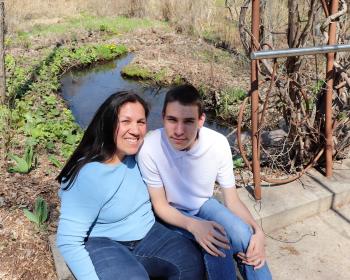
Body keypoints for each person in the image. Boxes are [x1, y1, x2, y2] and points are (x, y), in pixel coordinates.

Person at [56, 91, 205, 280]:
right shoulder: (89, 175)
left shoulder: (139, 154)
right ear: (108, 123)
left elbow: (179, 138)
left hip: (149, 233)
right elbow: (68, 241)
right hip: (104, 243)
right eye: (125, 121)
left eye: (140, 122)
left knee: (190, 261)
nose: (135, 130)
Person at [137, 84, 272, 280]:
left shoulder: (217, 144)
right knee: (218, 242)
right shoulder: (150, 147)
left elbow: (232, 201)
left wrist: (257, 231)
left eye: (188, 121)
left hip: (204, 204)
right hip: (172, 213)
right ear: (163, 117)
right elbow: (160, 205)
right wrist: (193, 226)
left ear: (201, 120)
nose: (179, 130)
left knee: (245, 236)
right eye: (172, 120)